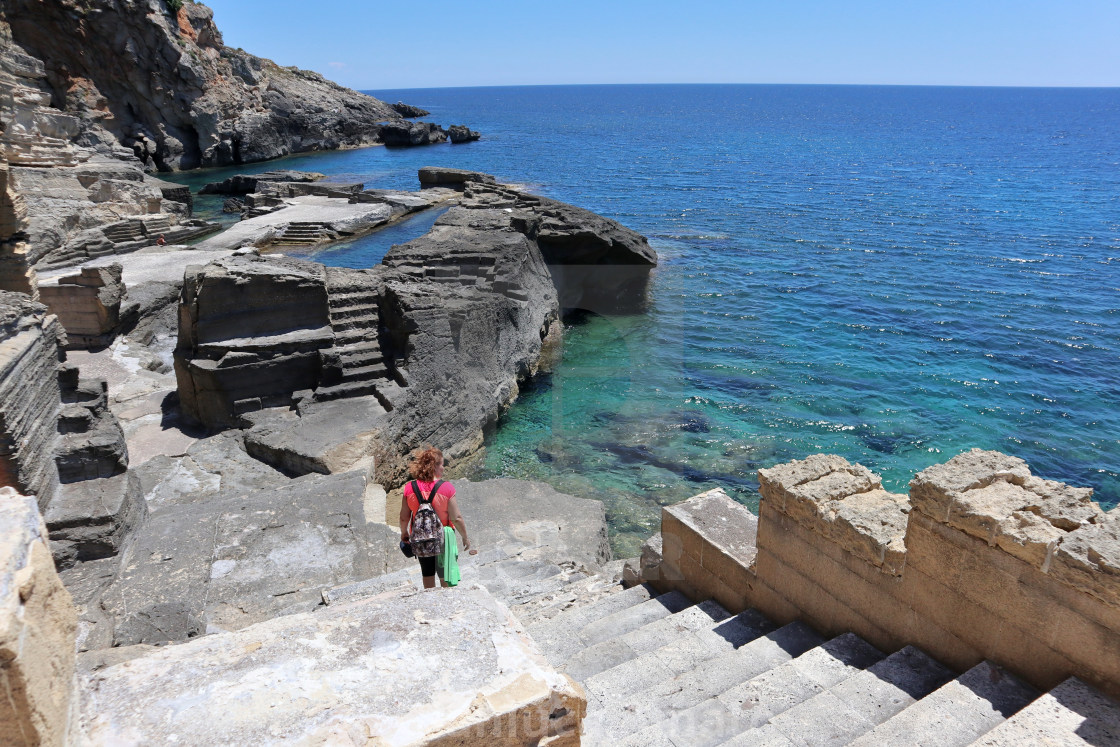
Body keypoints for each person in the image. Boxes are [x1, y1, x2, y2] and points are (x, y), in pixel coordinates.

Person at [399, 446, 477, 589]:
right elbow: (457, 518)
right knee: (444, 572)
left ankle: (431, 601)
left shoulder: (410, 488)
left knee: (427, 572)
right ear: (434, 466)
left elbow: (404, 517)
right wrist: (465, 537)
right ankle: (447, 601)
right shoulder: (446, 487)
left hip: (421, 538)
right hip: (444, 538)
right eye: (441, 464)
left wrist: (404, 533)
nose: (443, 468)